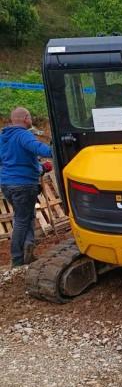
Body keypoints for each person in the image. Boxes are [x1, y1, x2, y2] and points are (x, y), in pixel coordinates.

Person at [0, 107, 52, 267]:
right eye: (30, 117)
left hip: (7, 184)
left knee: (27, 216)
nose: (31, 120)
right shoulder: (24, 135)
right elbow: (41, 149)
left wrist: (39, 167)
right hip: (23, 184)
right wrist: (54, 149)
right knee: (22, 220)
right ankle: (17, 259)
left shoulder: (3, 137)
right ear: (25, 118)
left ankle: (28, 248)